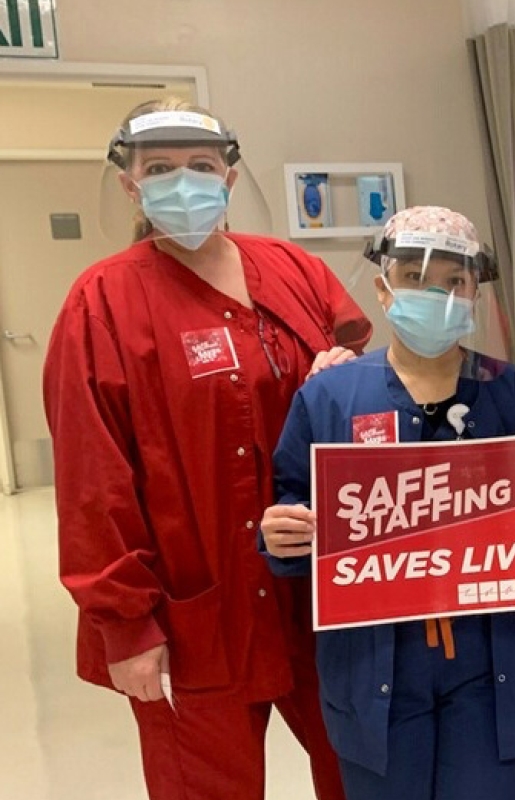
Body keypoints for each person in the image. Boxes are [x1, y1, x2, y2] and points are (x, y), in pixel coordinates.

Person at [42, 98, 369, 800]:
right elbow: (91, 480)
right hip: (195, 607)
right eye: (160, 169)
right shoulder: (102, 301)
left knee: (364, 773)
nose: (182, 182)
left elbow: (371, 381)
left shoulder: (292, 270)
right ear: (130, 183)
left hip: (320, 595)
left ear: (228, 174)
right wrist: (125, 625)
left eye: (200, 165)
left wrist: (355, 379)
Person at [258, 206, 515, 799]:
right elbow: (291, 505)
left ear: (476, 291)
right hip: (378, 668)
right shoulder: (329, 398)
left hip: (491, 667)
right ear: (382, 287)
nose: (438, 295)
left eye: (455, 281)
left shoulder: (512, 395)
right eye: (415, 278)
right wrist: (283, 534)